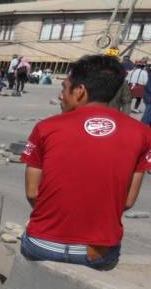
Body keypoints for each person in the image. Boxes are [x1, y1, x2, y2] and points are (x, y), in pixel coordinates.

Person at [19, 54, 150, 270]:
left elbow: (33, 193)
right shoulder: (142, 133)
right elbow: (127, 201)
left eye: (64, 88)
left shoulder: (46, 128)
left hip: (42, 245)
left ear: (80, 91)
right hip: (97, 253)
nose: (61, 96)